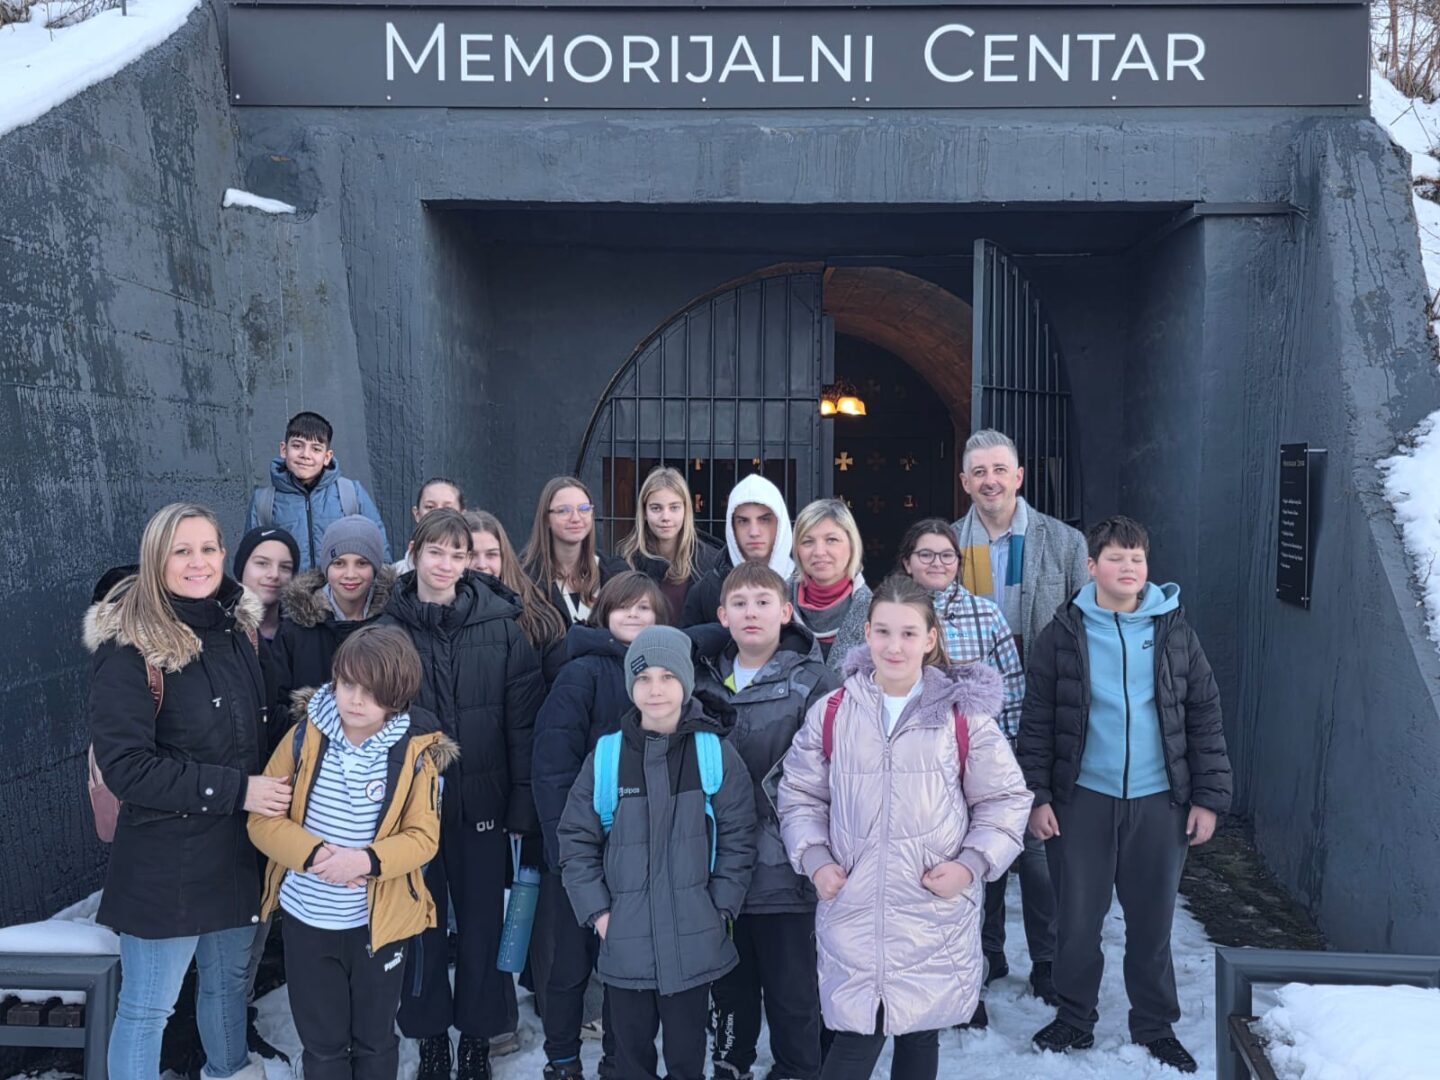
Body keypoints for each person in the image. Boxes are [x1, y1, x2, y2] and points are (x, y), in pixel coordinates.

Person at [777, 575, 1032, 1080]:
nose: (895, 646)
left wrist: (970, 865)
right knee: (855, 1039)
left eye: (909, 633)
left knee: (920, 1034)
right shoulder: (834, 711)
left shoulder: (961, 718)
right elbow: (800, 794)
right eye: (884, 632)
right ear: (866, 634)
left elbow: (1005, 800)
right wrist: (816, 859)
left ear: (930, 638)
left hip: (931, 913)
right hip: (854, 910)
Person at [1018, 516, 1231, 1074]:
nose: (1128, 567)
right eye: (1115, 558)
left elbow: (1204, 714)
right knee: (1077, 920)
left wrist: (1208, 797)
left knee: (1152, 923)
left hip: (1160, 801)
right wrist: (1037, 796)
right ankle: (1074, 1015)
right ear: (1091, 566)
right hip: (1082, 798)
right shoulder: (1062, 635)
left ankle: (1155, 1024)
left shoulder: (1175, 631)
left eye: (1137, 558)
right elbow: (1037, 721)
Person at [86, 503, 289, 1080]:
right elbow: (127, 768)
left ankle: (230, 1072)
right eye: (182, 551)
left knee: (226, 989)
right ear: (157, 560)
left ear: (223, 554)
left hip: (235, 851)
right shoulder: (130, 648)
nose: (198, 563)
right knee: (148, 1009)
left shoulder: (238, 633)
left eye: (207, 549)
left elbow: (262, 729)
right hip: (164, 862)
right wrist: (239, 790)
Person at [248, 625, 458, 1080]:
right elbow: (262, 820)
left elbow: (423, 838)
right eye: (347, 684)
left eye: (372, 692)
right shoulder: (304, 738)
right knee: (322, 1046)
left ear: (397, 698)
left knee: (375, 1041)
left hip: (377, 926)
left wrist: (364, 861)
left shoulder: (414, 754)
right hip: (309, 921)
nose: (356, 700)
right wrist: (317, 856)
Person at [379, 509, 546, 1080]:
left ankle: (477, 1036)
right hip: (411, 815)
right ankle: (430, 1039)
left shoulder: (501, 626)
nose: (446, 564)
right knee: (420, 927)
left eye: (458, 554)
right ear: (414, 552)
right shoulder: (387, 630)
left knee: (482, 927)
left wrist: (521, 804)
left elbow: (522, 725)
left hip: (484, 805)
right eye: (436, 552)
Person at [558, 626, 757, 1080]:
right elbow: (576, 841)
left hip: (693, 939)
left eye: (668, 677)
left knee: (686, 1059)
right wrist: (600, 914)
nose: (656, 689)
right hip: (625, 940)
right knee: (629, 1060)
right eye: (644, 678)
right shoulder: (606, 759)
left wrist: (720, 906)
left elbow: (738, 836)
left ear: (685, 681)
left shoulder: (713, 754)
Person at [689, 561, 840, 1080]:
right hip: (719, 871)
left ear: (786, 611)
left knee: (792, 990)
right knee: (729, 988)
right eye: (739, 603)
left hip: (786, 873)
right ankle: (732, 1064)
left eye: (762, 602)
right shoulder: (699, 680)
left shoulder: (813, 682)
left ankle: (799, 1068)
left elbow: (829, 774)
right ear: (722, 616)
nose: (751, 613)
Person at [951, 429, 1087, 1000]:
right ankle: (986, 954)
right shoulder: (947, 545)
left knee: (1038, 847)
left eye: (1000, 470)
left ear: (1019, 476)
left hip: (1040, 715)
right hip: (972, 719)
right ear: (965, 481)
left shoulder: (1064, 543)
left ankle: (1049, 960)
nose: (991, 481)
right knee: (976, 839)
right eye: (979, 472)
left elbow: (1085, 629)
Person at [896, 517, 1039, 1017]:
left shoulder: (986, 613)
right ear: (907, 562)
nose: (937, 563)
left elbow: (1013, 693)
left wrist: (1011, 763)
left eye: (947, 555)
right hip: (913, 769)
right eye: (926, 554)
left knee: (976, 873)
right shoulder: (892, 610)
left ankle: (976, 969)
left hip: (973, 764)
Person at [531, 572, 668, 1079]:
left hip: (641, 855)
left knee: (625, 968)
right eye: (623, 606)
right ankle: (562, 1059)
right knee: (569, 965)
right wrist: (563, 850)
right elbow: (552, 765)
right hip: (582, 850)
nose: (634, 615)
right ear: (603, 613)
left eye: (645, 607)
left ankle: (618, 1059)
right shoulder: (581, 672)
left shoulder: (666, 675)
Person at [270, 516, 395, 728]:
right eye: (339, 563)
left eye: (362, 563)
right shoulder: (295, 629)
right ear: (326, 566)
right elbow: (276, 703)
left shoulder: (393, 623)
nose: (350, 574)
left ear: (375, 567)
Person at [245, 410, 391, 571]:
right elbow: (251, 562)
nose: (305, 455)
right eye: (297, 446)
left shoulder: (351, 494)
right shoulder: (263, 502)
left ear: (327, 457)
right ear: (284, 450)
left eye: (316, 449)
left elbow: (379, 551)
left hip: (343, 587)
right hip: (287, 588)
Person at [466, 509, 569, 686]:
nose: (481, 565)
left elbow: (558, 685)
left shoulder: (539, 616)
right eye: (471, 555)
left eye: (491, 554)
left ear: (504, 557)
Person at [682, 473, 794, 627]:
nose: (754, 532)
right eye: (743, 521)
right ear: (732, 526)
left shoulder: (804, 585)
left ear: (780, 523)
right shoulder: (707, 590)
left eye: (764, 520)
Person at [617, 466, 724, 625]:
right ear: (644, 512)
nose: (665, 517)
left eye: (674, 508)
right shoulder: (626, 561)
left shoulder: (710, 562)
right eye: (656, 508)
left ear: (686, 510)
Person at [521, 476, 629, 627]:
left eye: (584, 509)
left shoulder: (615, 573)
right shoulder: (525, 579)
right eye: (564, 511)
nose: (576, 518)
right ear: (546, 519)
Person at [789, 499, 871, 671]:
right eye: (808, 541)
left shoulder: (874, 612)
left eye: (831, 540)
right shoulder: (778, 601)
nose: (819, 552)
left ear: (852, 545)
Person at [233, 526, 300, 641]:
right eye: (262, 563)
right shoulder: (217, 630)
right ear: (242, 568)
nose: (274, 574)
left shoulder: (306, 635)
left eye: (285, 567)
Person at [393, 477, 466, 572]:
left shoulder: (473, 572)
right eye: (430, 507)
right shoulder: (395, 575)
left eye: (447, 508)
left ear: (462, 515)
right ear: (417, 514)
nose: (438, 513)